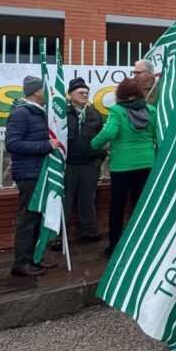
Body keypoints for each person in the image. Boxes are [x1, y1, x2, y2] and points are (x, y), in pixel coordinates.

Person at [91, 77, 157, 256]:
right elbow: (157, 135)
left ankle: (114, 245)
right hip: (146, 163)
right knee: (140, 204)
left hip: (122, 165)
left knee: (118, 205)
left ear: (120, 94)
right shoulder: (150, 110)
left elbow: (110, 132)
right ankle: (140, 243)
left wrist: (93, 144)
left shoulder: (117, 111)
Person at [4, 76, 60, 276]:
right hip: (29, 174)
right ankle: (21, 263)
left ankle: (35, 257)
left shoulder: (41, 113)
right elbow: (13, 144)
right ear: (36, 91)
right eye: (46, 89)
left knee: (38, 217)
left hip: (40, 171)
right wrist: (46, 146)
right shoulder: (21, 114)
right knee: (27, 218)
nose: (49, 93)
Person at [62, 77, 104, 244]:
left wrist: (98, 159)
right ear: (70, 94)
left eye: (86, 92)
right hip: (68, 165)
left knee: (87, 199)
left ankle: (87, 231)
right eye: (80, 92)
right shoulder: (62, 113)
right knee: (65, 200)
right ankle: (59, 236)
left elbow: (102, 137)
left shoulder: (95, 114)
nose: (85, 94)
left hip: (89, 164)